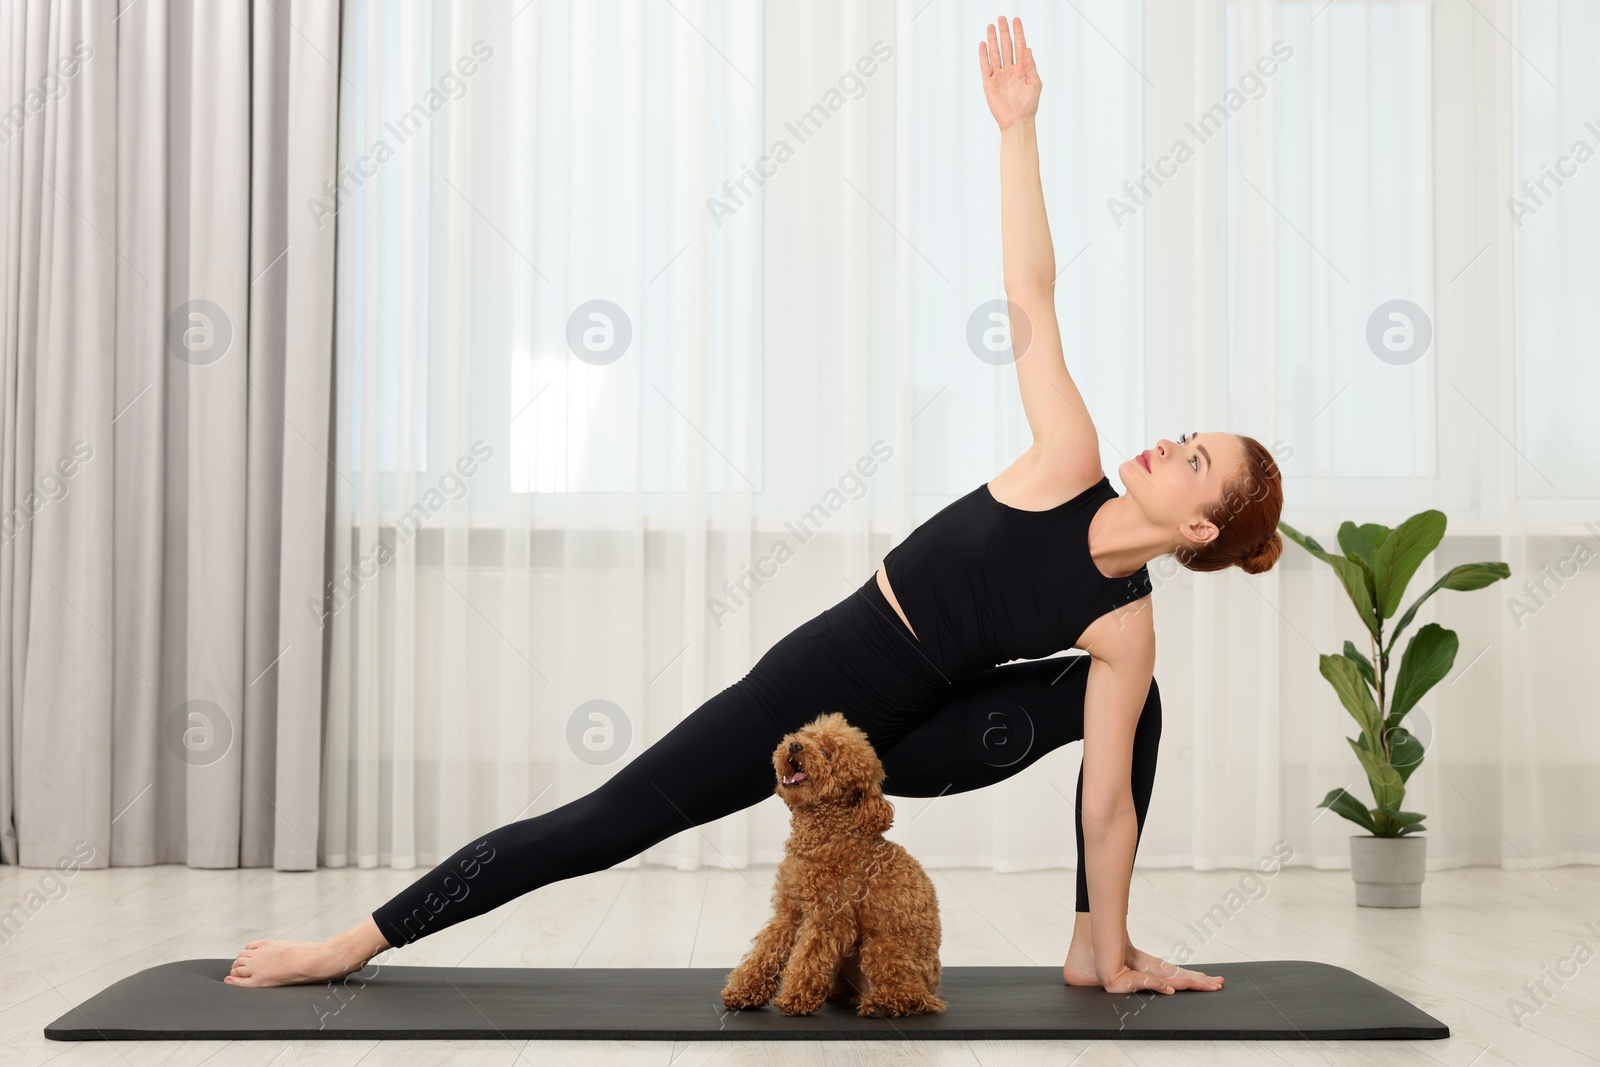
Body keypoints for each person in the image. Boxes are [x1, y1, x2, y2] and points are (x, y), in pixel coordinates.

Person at [225, 15, 1283, 996]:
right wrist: (1017, 131)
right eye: (1185, 434)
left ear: (1199, 526)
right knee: (602, 822)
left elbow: (1107, 798)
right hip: (818, 691)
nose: (1167, 443)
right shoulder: (1069, 457)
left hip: (917, 743)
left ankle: (1098, 952)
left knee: (1134, 705)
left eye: (1193, 458)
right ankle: (349, 942)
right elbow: (1030, 295)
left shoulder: (1125, 625)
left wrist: (1114, 951)